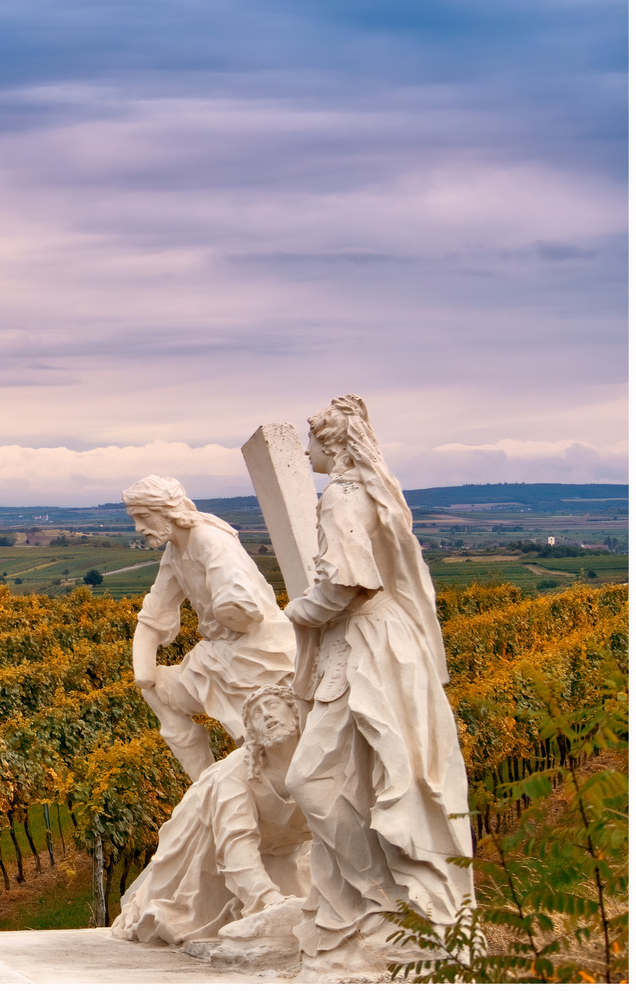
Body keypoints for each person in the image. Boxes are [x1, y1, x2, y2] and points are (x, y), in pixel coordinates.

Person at [282, 395, 472, 975]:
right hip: (384, 644)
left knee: (311, 779)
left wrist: (298, 612)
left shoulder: (340, 496)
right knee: (370, 777)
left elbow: (348, 583)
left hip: (362, 650)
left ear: (332, 445)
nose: (306, 451)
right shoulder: (371, 491)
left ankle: (378, 903)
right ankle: (381, 903)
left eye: (310, 442)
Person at [122, 475, 297, 781]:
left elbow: (243, 610)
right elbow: (156, 609)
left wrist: (228, 609)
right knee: (157, 692)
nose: (139, 527)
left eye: (143, 517)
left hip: (258, 653)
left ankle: (248, 789)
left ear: (168, 511)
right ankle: (205, 787)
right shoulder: (176, 551)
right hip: (219, 656)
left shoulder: (209, 540)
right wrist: (144, 673)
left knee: (267, 748)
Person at [113, 685, 309, 946]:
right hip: (205, 835)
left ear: (295, 713)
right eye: (256, 716)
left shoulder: (319, 761)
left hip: (280, 851)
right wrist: (266, 899)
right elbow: (235, 841)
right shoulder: (238, 773)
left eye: (272, 706)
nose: (266, 716)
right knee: (190, 911)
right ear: (253, 734)